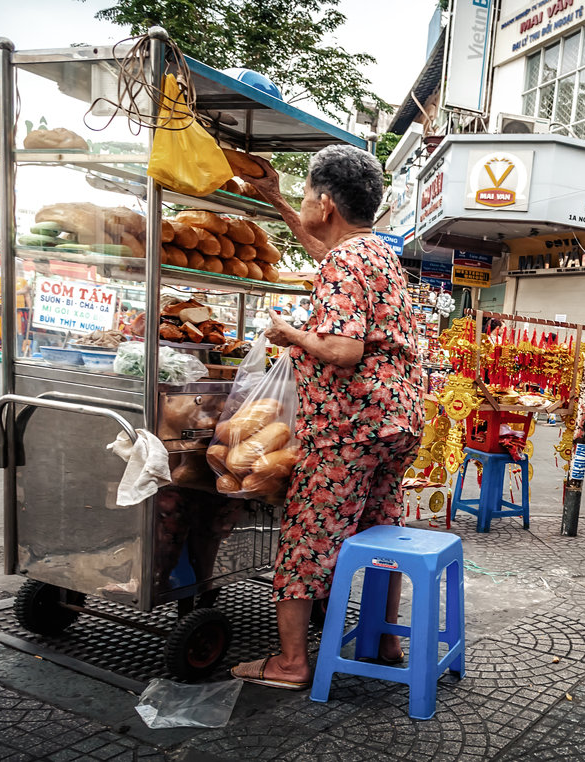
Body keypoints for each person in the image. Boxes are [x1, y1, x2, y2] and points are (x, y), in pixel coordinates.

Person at [229, 144, 423, 690]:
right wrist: (276, 202)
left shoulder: (344, 263)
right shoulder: (376, 252)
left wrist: (288, 334)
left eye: (307, 193)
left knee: (308, 538)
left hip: (348, 428)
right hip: (395, 423)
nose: (305, 201)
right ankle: (384, 637)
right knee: (381, 527)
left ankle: (291, 664)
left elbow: (342, 351)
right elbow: (323, 247)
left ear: (327, 203)